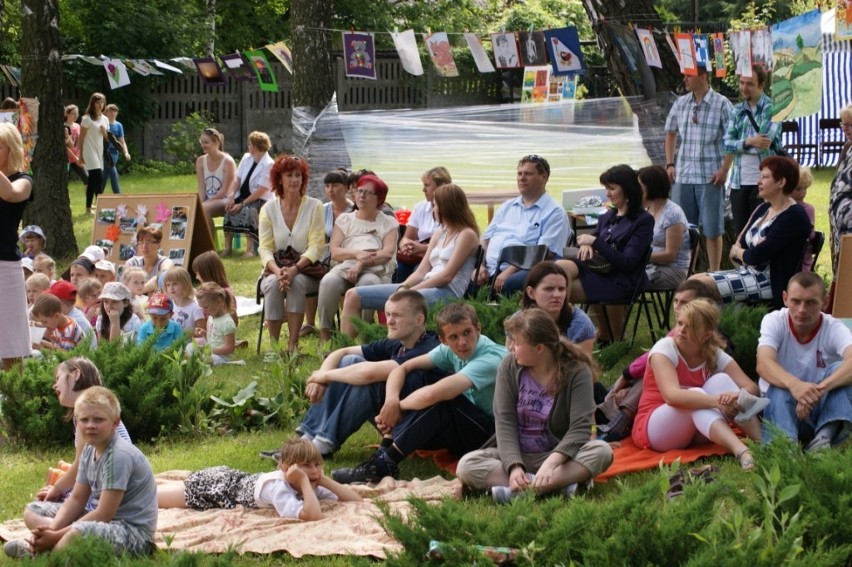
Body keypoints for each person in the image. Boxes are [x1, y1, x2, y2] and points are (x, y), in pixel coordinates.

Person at [332, 303, 506, 484]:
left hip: (493, 437)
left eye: (467, 333)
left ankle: (384, 463)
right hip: (464, 428)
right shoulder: (449, 348)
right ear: (443, 340)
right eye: (454, 337)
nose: (462, 341)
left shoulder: (491, 357)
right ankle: (384, 452)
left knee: (444, 399)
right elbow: (403, 367)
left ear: (478, 328)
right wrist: (391, 401)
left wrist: (395, 407)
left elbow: (432, 395)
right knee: (417, 379)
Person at [455, 310, 613, 501]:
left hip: (561, 456)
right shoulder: (509, 366)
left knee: (602, 451)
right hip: (518, 453)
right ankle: (558, 486)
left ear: (539, 348)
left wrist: (552, 463)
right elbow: (504, 421)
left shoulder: (577, 371)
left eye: (517, 342)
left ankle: (520, 492)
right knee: (466, 465)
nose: (511, 347)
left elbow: (581, 427)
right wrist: (514, 467)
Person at [4, 387, 157, 558]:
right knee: (33, 510)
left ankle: (43, 553)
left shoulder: (119, 455)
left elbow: (104, 514)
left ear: (115, 422)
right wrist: (51, 529)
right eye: (84, 420)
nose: (90, 425)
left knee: (79, 531)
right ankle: (48, 544)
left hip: (132, 534)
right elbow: (76, 499)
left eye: (98, 420)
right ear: (77, 422)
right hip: (102, 524)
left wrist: (55, 535)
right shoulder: (88, 450)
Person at [296, 290, 443, 457]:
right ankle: (307, 439)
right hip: (392, 417)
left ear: (419, 320)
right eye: (387, 314)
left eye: (397, 315)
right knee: (349, 360)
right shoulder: (398, 343)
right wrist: (321, 376)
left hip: (421, 428)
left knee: (370, 381)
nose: (389, 321)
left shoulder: (428, 348)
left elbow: (369, 374)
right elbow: (342, 352)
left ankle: (323, 445)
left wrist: (324, 376)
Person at [631, 299, 765, 471]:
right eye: (680, 323)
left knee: (721, 380)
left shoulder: (712, 352)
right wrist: (717, 401)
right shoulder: (664, 348)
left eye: (691, 326)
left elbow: (751, 387)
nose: (681, 331)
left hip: (696, 429)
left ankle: (763, 443)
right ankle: (741, 451)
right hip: (654, 429)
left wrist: (736, 396)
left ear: (707, 334)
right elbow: (671, 396)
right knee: (694, 395)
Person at [340, 183, 479, 338]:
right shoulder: (440, 232)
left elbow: (447, 276)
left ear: (447, 206)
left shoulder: (467, 235)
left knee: (402, 302)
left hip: (447, 292)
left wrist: (412, 291)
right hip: (425, 285)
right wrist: (404, 286)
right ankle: (342, 347)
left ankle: (389, 347)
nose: (433, 210)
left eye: (435, 205)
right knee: (353, 295)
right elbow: (421, 271)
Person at [597, 279, 722, 442]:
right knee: (650, 374)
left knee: (649, 378)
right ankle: (610, 414)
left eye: (684, 302)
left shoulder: (705, 339)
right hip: (666, 405)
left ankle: (618, 418)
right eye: (675, 301)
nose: (677, 307)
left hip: (682, 401)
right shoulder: (679, 333)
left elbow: (647, 360)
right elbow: (654, 355)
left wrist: (732, 399)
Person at [21, 358, 130, 530]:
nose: (54, 386)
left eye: (58, 378)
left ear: (76, 374)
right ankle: (55, 534)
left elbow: (80, 467)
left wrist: (57, 490)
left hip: (106, 508)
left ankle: (54, 534)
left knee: (32, 512)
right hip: (112, 502)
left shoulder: (86, 418)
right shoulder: (99, 410)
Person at [691, 156, 810, 308]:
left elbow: (754, 256)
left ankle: (695, 329)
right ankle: (696, 329)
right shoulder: (764, 208)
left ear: (781, 182)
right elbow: (740, 246)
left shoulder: (794, 216)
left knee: (698, 287)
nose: (759, 182)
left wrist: (744, 253)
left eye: (765, 177)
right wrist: (746, 253)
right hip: (747, 274)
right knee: (693, 282)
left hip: (769, 282)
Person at [157, 437, 361, 522]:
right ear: (285, 467)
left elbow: (355, 500)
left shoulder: (309, 481)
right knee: (152, 496)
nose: (314, 471)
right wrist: (306, 482)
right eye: (306, 466)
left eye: (317, 464)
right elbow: (313, 516)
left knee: (160, 489)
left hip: (234, 478)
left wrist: (323, 480)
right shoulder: (278, 487)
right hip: (217, 488)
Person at [756, 272, 852, 451]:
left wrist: (816, 391)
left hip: (817, 409)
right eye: (796, 301)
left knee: (840, 371)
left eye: (811, 302)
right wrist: (794, 385)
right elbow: (763, 363)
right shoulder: (774, 320)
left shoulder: (833, 327)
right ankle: (785, 447)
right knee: (778, 386)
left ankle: (824, 440)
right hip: (779, 407)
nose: (802, 309)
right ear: (785, 298)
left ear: (825, 302)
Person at [556, 164, 654, 340]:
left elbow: (628, 262)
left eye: (612, 188)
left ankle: (564, 335)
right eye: (606, 188)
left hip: (621, 279)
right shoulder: (607, 217)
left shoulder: (643, 221)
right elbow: (590, 239)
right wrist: (587, 244)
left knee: (558, 290)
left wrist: (595, 242)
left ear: (627, 189)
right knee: (558, 269)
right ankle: (558, 333)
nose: (607, 193)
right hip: (598, 270)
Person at [664, 66, 734, 271]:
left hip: (710, 176)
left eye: (689, 75)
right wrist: (670, 163)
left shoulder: (721, 104)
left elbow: (732, 139)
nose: (684, 79)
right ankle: (687, 274)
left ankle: (714, 275)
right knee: (683, 229)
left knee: (712, 230)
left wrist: (724, 169)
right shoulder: (681, 103)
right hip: (684, 175)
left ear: (703, 77)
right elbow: (670, 132)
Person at [317, 174, 398, 344]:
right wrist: (356, 254)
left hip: (377, 270)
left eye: (368, 193)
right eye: (360, 191)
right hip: (346, 267)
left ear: (379, 199)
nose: (362, 196)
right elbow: (335, 252)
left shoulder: (388, 222)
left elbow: (387, 253)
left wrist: (361, 263)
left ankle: (364, 336)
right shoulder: (345, 219)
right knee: (328, 282)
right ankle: (325, 336)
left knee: (368, 284)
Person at [258, 155, 325, 353]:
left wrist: (295, 269)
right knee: (271, 284)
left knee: (296, 283)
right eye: (289, 175)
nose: (295, 180)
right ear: (279, 179)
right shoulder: (268, 209)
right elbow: (264, 248)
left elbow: (317, 247)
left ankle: (292, 345)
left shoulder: (315, 206)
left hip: (307, 269)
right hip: (275, 269)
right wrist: (278, 272)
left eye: (298, 175)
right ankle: (274, 348)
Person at [477, 155, 571, 297]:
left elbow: (543, 253)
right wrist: (480, 265)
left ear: (544, 177)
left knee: (511, 284)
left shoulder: (554, 212)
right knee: (463, 278)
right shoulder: (507, 207)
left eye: (528, 174)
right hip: (489, 270)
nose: (522, 178)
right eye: (519, 173)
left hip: (522, 270)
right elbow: (485, 239)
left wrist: (509, 272)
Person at [724, 66, 782, 235]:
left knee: (762, 233)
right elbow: (726, 144)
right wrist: (750, 141)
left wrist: (740, 144)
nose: (744, 87)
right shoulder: (737, 110)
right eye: (742, 83)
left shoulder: (772, 108)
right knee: (741, 234)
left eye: (750, 83)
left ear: (761, 84)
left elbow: (764, 142)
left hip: (766, 182)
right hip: (738, 182)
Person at [301, 168, 354, 339]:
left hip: (345, 257)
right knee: (309, 271)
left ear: (346, 188)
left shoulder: (354, 210)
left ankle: (344, 326)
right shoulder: (322, 209)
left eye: (335, 185)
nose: (330, 190)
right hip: (322, 256)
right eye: (327, 186)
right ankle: (310, 322)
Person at [0, 122, 34, 370]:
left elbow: (10, 193)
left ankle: (16, 405)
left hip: (5, 268)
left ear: (11, 149)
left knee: (10, 345)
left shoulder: (24, 180)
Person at [520, 262, 597, 356]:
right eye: (549, 289)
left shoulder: (581, 325)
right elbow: (512, 366)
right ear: (531, 293)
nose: (557, 295)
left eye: (561, 289)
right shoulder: (518, 322)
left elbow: (584, 367)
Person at [221, 131, 274, 257]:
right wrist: (231, 197)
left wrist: (242, 204)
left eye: (250, 144)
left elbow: (261, 190)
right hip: (243, 196)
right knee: (229, 209)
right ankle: (227, 249)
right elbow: (237, 179)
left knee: (249, 211)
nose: (248, 146)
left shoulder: (269, 164)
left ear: (256, 146)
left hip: (261, 199)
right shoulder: (246, 158)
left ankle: (249, 251)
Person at [637, 165, 691, 291]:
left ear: (651, 187)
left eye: (640, 186)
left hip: (673, 270)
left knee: (623, 281)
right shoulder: (646, 210)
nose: (636, 190)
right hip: (650, 265)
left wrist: (637, 257)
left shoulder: (672, 214)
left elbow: (670, 256)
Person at [394, 166, 451, 283]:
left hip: (438, 259)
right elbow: (407, 237)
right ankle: (398, 296)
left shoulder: (452, 210)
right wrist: (406, 245)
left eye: (427, 185)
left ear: (442, 186)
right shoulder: (420, 207)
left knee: (417, 272)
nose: (423, 190)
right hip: (417, 256)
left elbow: (451, 244)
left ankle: (407, 296)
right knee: (398, 269)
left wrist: (423, 248)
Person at [195, 128, 237, 239]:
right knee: (194, 208)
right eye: (202, 142)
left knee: (203, 208)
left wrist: (205, 203)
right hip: (209, 201)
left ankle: (210, 245)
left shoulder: (228, 161)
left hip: (225, 200)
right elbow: (201, 187)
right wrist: (199, 202)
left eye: (206, 142)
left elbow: (225, 191)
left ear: (216, 143)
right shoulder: (200, 161)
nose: (203, 145)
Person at [77, 92, 110, 215]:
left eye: (102, 102)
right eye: (97, 102)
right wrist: (80, 155)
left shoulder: (105, 119)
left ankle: (88, 208)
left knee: (92, 181)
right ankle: (101, 206)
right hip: (89, 151)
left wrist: (104, 131)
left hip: (99, 151)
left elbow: (107, 138)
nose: (100, 105)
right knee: (98, 178)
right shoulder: (87, 119)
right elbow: (81, 138)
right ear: (93, 103)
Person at [829, 103, 852, 274]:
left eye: (850, 124)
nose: (846, 129)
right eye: (843, 124)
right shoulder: (848, 148)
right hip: (841, 229)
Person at [194, 282, 236, 365]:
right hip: (212, 351)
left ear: (219, 301)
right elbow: (214, 339)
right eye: (201, 307)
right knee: (191, 346)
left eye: (206, 307)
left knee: (205, 359)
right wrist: (204, 334)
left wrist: (211, 351)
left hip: (223, 357)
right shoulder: (211, 317)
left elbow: (230, 347)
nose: (204, 310)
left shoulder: (227, 322)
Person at [192, 250, 238, 325]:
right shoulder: (208, 290)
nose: (196, 277)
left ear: (206, 274)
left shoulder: (224, 294)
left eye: (198, 274)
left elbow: (233, 322)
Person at [124, 226, 175, 295]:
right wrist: (150, 287)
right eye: (141, 242)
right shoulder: (132, 263)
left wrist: (136, 290)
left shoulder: (165, 262)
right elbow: (126, 285)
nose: (144, 246)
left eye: (148, 242)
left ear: (158, 245)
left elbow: (162, 278)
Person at [47, 280, 97, 349]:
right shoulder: (71, 313)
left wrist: (45, 344)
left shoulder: (75, 320)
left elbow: (66, 351)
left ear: (59, 303)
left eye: (50, 302)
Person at [162, 267, 205, 334]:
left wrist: (187, 334)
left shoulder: (195, 308)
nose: (171, 288)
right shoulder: (169, 305)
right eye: (168, 285)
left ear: (185, 284)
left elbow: (202, 332)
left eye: (175, 284)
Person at [101, 104, 130, 195]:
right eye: (109, 111)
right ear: (106, 113)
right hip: (104, 153)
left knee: (104, 175)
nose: (112, 113)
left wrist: (126, 152)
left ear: (117, 113)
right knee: (113, 174)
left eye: (114, 111)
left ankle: (98, 196)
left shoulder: (118, 125)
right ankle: (118, 197)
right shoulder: (102, 124)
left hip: (114, 154)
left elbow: (122, 141)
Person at [793, 166, 817, 272]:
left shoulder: (808, 209)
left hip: (800, 263)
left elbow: (809, 235)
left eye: (805, 189)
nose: (803, 193)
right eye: (798, 189)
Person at [64, 105, 88, 185]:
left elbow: (80, 142)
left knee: (87, 179)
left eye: (77, 114)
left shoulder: (78, 126)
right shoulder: (63, 127)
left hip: (77, 158)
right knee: (63, 182)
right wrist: (76, 158)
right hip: (66, 159)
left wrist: (81, 156)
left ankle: (89, 197)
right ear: (67, 114)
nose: (75, 116)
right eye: (73, 113)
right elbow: (65, 147)